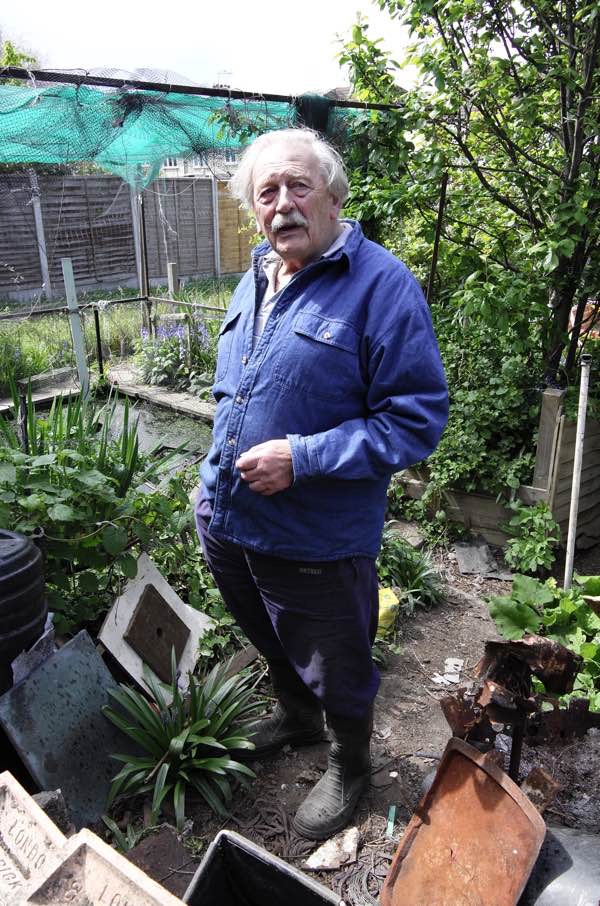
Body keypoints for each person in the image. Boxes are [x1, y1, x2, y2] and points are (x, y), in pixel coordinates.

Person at [195, 128, 448, 840]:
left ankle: (349, 763)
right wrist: (213, 476)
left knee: (335, 657)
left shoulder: (381, 287)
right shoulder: (256, 276)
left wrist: (302, 457)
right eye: (267, 192)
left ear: (334, 198)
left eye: (298, 186)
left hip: (316, 536)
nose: (283, 204)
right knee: (265, 628)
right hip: (228, 517)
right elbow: (238, 386)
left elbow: (416, 419)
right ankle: (298, 716)